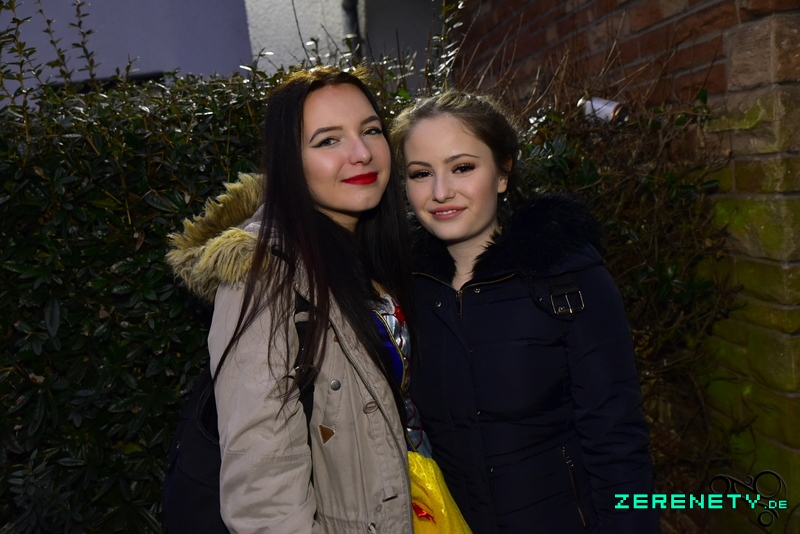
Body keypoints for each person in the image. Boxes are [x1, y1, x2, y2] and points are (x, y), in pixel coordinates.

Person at [390, 91, 661, 533]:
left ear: (503, 172)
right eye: (421, 173)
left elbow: (618, 442)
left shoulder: (568, 277)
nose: (440, 192)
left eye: (462, 167)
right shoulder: (401, 290)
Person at [166, 67, 422, 533]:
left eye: (370, 130)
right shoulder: (265, 274)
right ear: (290, 163)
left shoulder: (380, 250)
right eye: (328, 140)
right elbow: (263, 497)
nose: (361, 153)